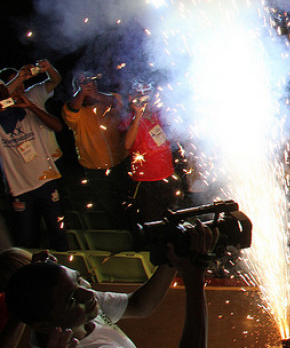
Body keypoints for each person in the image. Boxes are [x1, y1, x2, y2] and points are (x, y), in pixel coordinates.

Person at [5, 222, 216, 348]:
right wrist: (194, 276)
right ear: (43, 325)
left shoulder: (69, 314)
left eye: (78, 280)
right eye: (71, 298)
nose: (87, 294)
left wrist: (173, 257)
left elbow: (139, 305)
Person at [0, 82, 68, 251]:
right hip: (19, 187)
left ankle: (62, 270)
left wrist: (31, 107)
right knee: (26, 237)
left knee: (57, 231)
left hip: (46, 179)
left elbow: (58, 126)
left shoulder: (28, 112)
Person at [62, 73, 128, 221]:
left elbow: (118, 103)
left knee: (128, 199)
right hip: (96, 169)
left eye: (92, 84)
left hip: (121, 162)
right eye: (84, 86)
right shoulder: (72, 110)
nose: (88, 88)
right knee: (109, 206)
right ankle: (119, 234)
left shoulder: (107, 100)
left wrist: (96, 95)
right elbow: (71, 111)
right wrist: (82, 92)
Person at [122, 83, 179, 224]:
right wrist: (138, 115)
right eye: (140, 95)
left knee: (172, 215)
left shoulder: (158, 114)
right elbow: (127, 144)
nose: (145, 99)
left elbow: (171, 136)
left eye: (148, 94)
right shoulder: (129, 119)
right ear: (132, 98)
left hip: (167, 176)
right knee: (152, 220)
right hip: (146, 182)